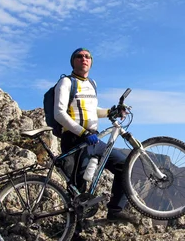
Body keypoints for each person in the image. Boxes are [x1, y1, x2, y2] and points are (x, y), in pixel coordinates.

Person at [53, 47, 134, 223]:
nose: (84, 59)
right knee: (78, 188)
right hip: (75, 139)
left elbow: (91, 111)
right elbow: (59, 113)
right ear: (72, 61)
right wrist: (82, 132)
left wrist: (110, 111)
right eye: (79, 56)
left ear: (91, 62)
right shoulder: (66, 82)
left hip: (94, 139)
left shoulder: (92, 84)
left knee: (124, 165)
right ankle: (73, 234)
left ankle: (115, 210)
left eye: (87, 56)